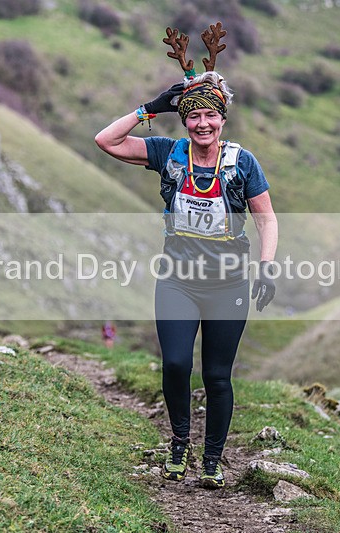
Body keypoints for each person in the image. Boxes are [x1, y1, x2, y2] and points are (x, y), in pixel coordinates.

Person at [94, 23, 278, 490]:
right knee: (176, 364)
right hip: (177, 279)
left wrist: (266, 267)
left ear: (222, 119)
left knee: (217, 376)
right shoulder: (168, 153)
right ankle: (179, 442)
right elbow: (106, 141)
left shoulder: (242, 163)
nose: (202, 124)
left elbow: (266, 219)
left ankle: (212, 460)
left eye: (210, 116)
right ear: (184, 121)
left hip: (228, 283)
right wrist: (150, 108)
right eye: (193, 116)